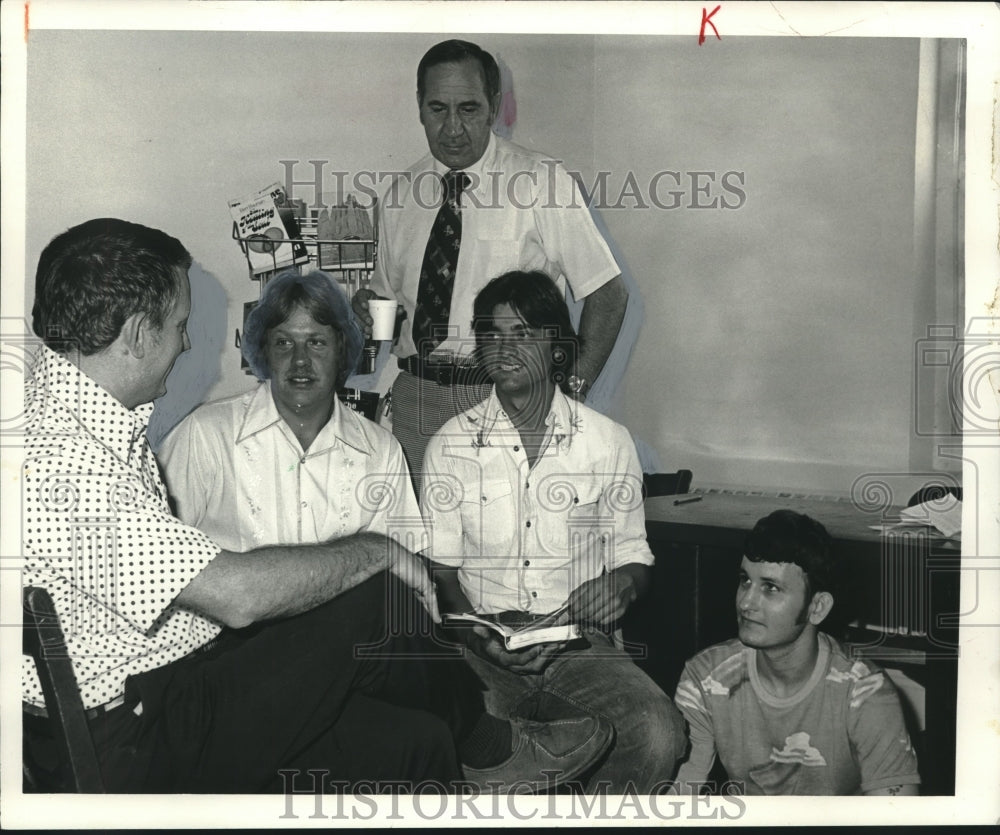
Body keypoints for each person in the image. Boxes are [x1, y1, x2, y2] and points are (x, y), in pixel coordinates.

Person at [21, 219, 611, 794]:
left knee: (420, 741)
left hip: (160, 693)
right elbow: (239, 597)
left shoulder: (72, 422)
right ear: (138, 335)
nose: (186, 343)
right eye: (178, 325)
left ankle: (482, 751)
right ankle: (495, 747)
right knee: (376, 594)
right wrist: (373, 551)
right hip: (132, 739)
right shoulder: (63, 460)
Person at [420, 270, 685, 794]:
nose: (504, 348)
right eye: (492, 335)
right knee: (452, 746)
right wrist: (482, 638)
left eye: (523, 333)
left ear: (557, 347)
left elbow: (635, 556)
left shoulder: (606, 443)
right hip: (481, 648)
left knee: (659, 735)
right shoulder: (450, 445)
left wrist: (625, 584)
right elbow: (442, 576)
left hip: (579, 647)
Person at [353, 38, 630, 487]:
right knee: (419, 550)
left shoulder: (541, 182)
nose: (453, 128)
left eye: (468, 108)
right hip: (413, 401)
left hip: (507, 397)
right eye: (438, 108)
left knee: (501, 549)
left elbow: (609, 293)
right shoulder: (400, 195)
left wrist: (569, 393)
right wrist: (366, 315)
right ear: (419, 107)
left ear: (494, 105)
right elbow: (388, 314)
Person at [672, 510, 921, 796]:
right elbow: (677, 801)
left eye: (771, 588)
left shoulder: (866, 693)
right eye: (745, 580)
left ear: (817, 608)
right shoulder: (704, 677)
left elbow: (896, 817)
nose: (746, 602)